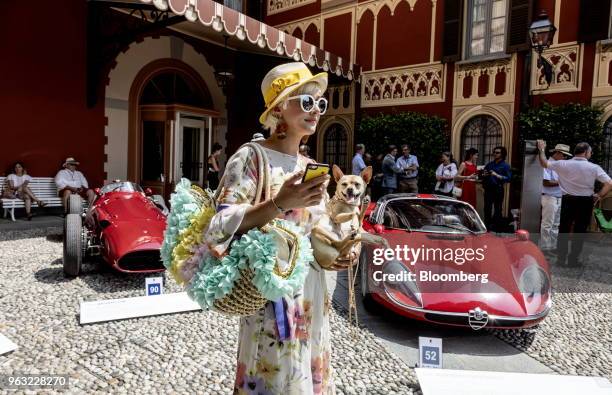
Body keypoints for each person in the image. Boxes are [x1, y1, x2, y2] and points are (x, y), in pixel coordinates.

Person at [204, 62, 352, 394]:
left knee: (306, 367)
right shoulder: (250, 157)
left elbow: (316, 227)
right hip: (270, 291)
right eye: (306, 101)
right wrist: (278, 203)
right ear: (279, 108)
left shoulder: (309, 167)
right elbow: (219, 225)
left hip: (311, 291)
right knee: (272, 372)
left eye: (320, 103)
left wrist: (337, 249)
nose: (316, 110)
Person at [537, 140, 612, 266]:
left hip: (568, 199)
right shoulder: (594, 167)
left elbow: (544, 163)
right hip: (585, 201)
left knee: (564, 229)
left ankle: (561, 259)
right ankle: (573, 259)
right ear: (586, 152)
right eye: (590, 152)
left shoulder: (563, 164)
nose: (590, 154)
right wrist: (598, 195)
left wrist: (541, 149)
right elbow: (609, 183)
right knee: (580, 230)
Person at [539, 144, 571, 252]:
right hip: (549, 197)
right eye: (564, 155)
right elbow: (546, 182)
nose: (565, 158)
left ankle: (552, 247)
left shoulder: (558, 165)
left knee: (555, 225)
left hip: (558, 197)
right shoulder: (548, 164)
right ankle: (545, 247)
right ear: (558, 153)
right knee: (548, 224)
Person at [482, 146, 511, 231]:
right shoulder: (489, 164)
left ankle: (496, 228)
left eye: (497, 152)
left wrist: (497, 175)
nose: (495, 154)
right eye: (494, 152)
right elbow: (483, 175)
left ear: (502, 154)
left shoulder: (505, 166)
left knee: (498, 209)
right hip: (488, 189)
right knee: (487, 208)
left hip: (498, 189)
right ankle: (486, 227)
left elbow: (508, 179)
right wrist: (484, 175)